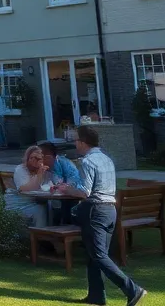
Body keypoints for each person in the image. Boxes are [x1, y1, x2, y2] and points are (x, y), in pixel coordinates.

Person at [57, 125, 147, 306]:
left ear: (83, 142)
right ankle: (96, 297)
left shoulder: (87, 162)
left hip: (94, 210)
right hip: (110, 210)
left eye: (76, 140)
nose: (75, 143)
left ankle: (132, 289)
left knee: (98, 255)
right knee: (94, 255)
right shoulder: (106, 159)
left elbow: (84, 192)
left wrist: (67, 189)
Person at [3, 145, 50, 228]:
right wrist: (39, 174)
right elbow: (24, 190)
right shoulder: (21, 169)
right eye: (32, 157)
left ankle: (51, 234)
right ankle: (40, 236)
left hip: (33, 202)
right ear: (27, 158)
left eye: (38, 158)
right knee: (40, 209)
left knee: (52, 206)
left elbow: (49, 185)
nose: (34, 160)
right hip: (18, 205)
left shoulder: (44, 170)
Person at [40, 141, 81, 224]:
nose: (42, 160)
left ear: (53, 157)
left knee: (65, 212)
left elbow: (71, 184)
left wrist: (58, 187)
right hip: (57, 197)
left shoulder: (62, 164)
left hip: (72, 195)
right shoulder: (45, 166)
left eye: (44, 157)